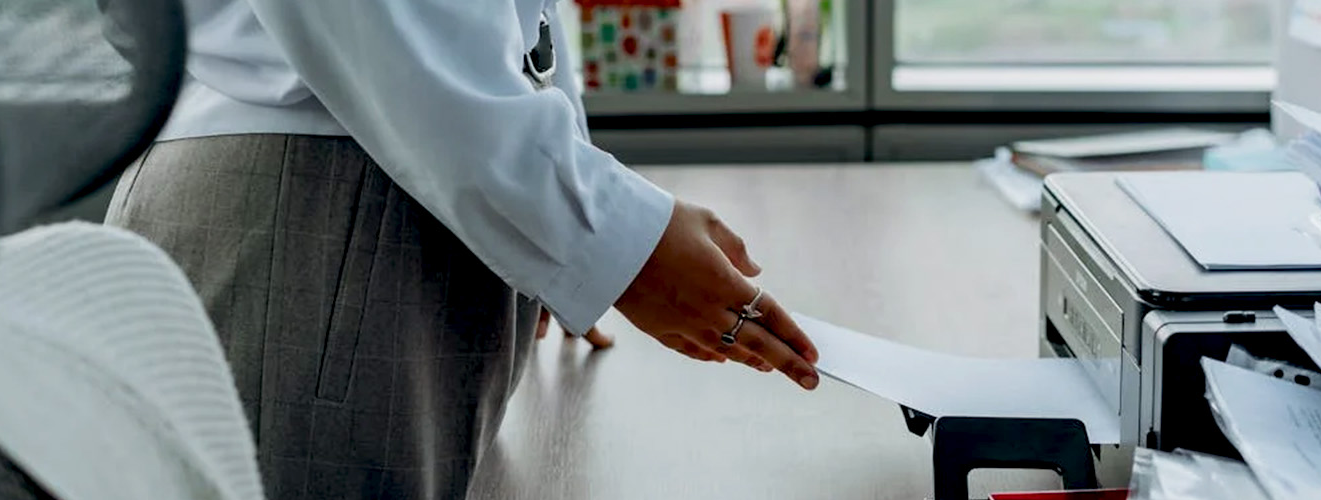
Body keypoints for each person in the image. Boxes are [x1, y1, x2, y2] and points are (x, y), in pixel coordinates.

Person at [104, 1, 821, 498]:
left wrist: (541, 236)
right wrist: (599, 236)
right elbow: (390, 29)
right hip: (319, 212)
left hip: (373, 198)